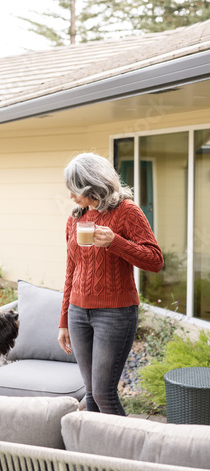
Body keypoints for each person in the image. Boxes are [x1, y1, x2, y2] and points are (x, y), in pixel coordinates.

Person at [58, 152, 164, 415]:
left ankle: (126, 452)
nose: (71, 196)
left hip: (115, 314)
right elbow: (71, 269)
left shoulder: (127, 212)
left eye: (75, 190)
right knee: (91, 394)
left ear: (92, 185)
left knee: (104, 394)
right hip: (78, 313)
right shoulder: (75, 218)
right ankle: (94, 454)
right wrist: (63, 320)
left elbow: (155, 260)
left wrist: (115, 242)